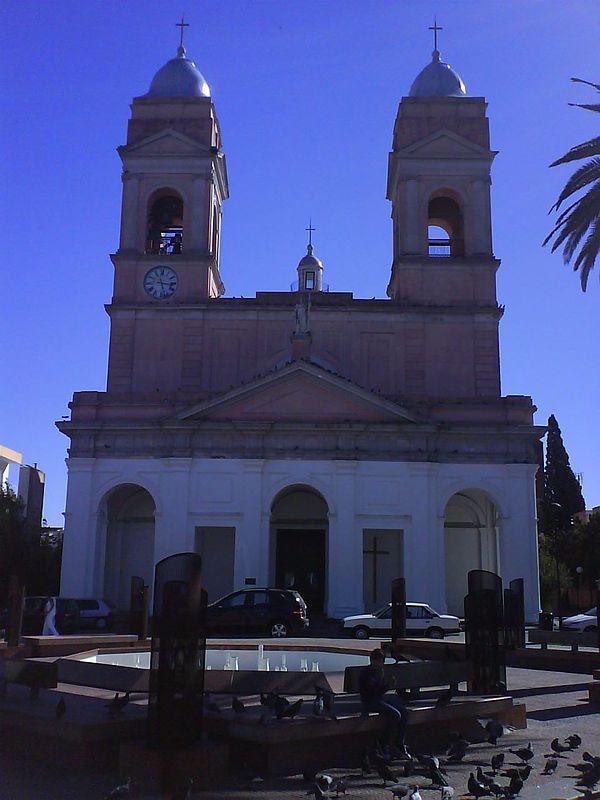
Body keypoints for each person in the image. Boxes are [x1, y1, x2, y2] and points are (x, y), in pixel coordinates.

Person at [358, 647, 410, 758]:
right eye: (375, 661)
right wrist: (387, 686)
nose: (377, 663)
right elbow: (371, 693)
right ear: (371, 660)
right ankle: (383, 743)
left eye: (379, 661)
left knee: (405, 712)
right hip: (369, 702)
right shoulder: (367, 673)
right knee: (395, 714)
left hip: (379, 700)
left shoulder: (379, 672)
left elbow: (379, 691)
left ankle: (399, 743)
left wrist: (388, 685)